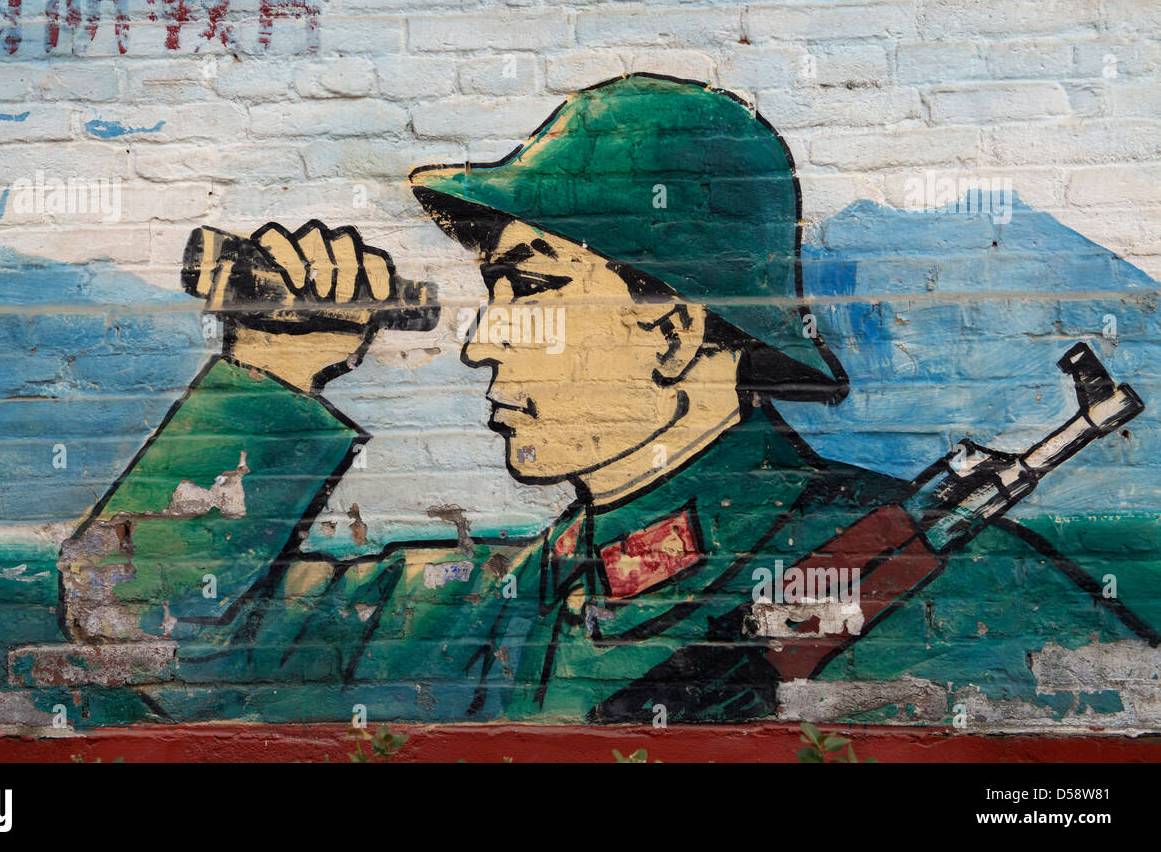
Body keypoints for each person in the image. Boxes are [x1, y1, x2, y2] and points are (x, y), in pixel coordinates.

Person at [57, 74, 1155, 724]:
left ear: (676, 327)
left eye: (529, 293)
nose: (485, 342)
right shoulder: (500, 609)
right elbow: (150, 634)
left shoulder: (962, 602)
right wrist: (272, 365)